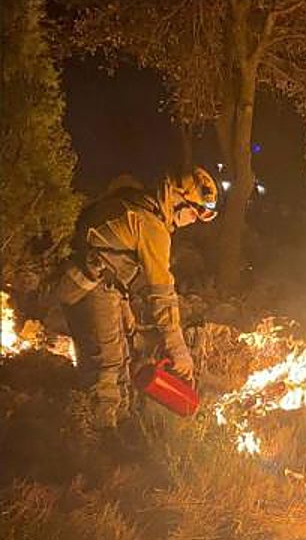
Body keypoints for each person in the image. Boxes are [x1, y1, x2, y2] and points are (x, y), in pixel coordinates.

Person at [54, 167, 218, 430]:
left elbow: (115, 260)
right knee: (106, 368)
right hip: (93, 287)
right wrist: (178, 350)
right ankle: (97, 443)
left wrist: (125, 310)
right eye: (193, 212)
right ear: (176, 199)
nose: (192, 221)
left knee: (121, 363)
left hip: (100, 285)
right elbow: (162, 295)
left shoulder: (138, 206)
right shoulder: (151, 226)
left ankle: (116, 430)